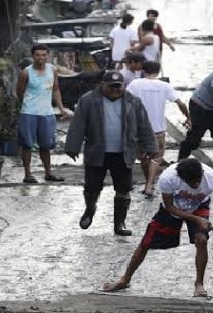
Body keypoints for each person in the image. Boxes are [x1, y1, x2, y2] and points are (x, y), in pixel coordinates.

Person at [102, 158, 213, 297]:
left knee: (201, 240)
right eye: (191, 183)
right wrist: (196, 219)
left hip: (199, 206)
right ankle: (125, 280)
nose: (195, 185)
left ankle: (199, 284)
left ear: (202, 174)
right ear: (181, 178)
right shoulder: (168, 177)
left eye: (197, 182)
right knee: (146, 243)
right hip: (173, 209)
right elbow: (169, 207)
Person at [64, 71, 156, 236]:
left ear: (123, 86)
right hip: (97, 151)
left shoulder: (133, 101)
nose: (115, 89)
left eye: (118, 86)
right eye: (111, 86)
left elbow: (144, 125)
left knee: (123, 188)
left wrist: (150, 146)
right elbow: (78, 124)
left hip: (123, 152)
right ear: (102, 85)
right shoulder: (88, 100)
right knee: (92, 187)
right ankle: (90, 209)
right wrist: (72, 146)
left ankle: (119, 223)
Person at [126, 61, 191, 198]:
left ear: (143, 70)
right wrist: (188, 117)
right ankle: (150, 185)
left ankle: (148, 183)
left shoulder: (135, 84)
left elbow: (125, 102)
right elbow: (180, 103)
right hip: (158, 129)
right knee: (157, 157)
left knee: (144, 157)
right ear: (158, 70)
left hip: (139, 128)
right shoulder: (165, 86)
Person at [15, 44, 69, 184]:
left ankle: (48, 173)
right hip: (29, 112)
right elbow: (19, 92)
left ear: (48, 56)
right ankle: (27, 174)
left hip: (47, 113)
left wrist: (61, 108)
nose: (41, 58)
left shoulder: (53, 70)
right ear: (33, 56)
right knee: (27, 144)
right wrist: (26, 105)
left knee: (46, 144)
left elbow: (55, 89)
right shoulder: (25, 73)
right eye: (38, 55)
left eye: (44, 55)